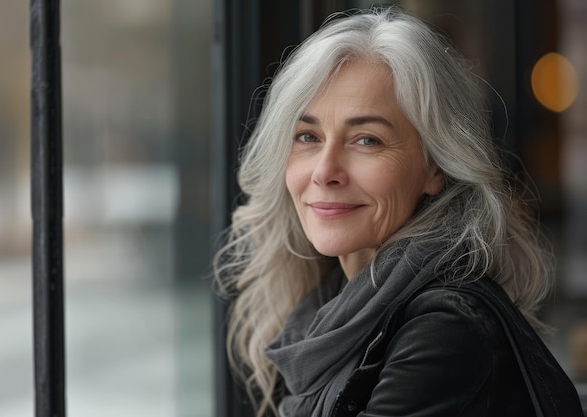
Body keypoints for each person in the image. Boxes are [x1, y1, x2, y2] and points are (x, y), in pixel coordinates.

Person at [214, 8, 583, 417]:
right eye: (307, 136)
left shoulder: (446, 326)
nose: (324, 171)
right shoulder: (328, 307)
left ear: (435, 166)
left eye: (367, 140)